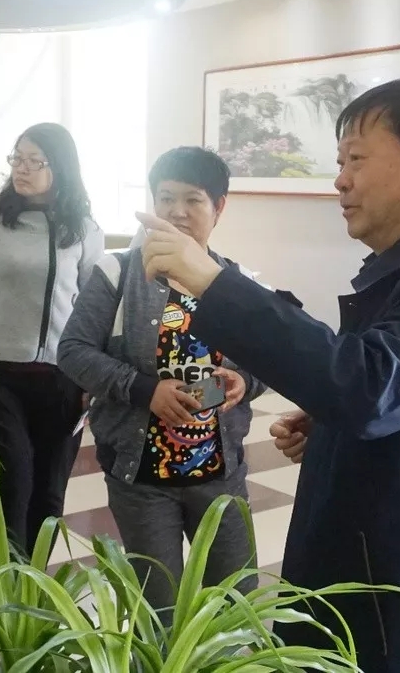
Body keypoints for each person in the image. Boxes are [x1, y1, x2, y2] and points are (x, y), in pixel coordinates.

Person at [136, 78, 400, 672]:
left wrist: (213, 281)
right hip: (375, 577)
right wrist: (331, 429)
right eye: (340, 162)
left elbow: (371, 388)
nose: (340, 180)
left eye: (356, 160)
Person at [57, 146, 264, 618]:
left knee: (236, 603)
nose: (177, 211)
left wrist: (244, 382)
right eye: (166, 197)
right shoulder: (116, 272)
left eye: (193, 199)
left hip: (221, 475)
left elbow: (265, 363)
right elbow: (73, 351)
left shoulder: (237, 282)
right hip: (142, 478)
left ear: (219, 207)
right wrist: (145, 391)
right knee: (158, 611)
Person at [0, 122, 104, 552]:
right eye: (17, 158)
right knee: (13, 480)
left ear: (61, 168)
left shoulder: (84, 228)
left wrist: (92, 373)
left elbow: (94, 307)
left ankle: (34, 582)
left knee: (49, 493)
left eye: (35, 161)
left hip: (63, 380)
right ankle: (6, 580)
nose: (22, 168)